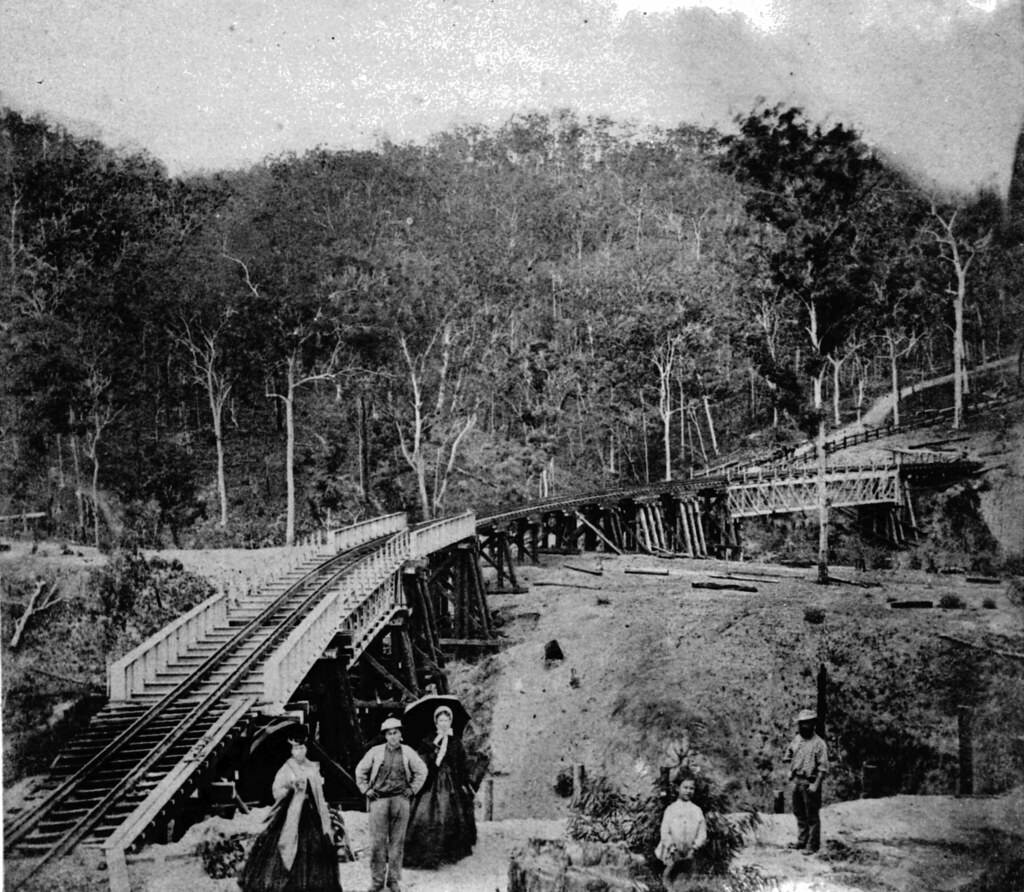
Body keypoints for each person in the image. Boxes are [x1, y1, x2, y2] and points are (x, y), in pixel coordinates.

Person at [238, 724, 342, 892]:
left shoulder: (312, 768)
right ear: (291, 750)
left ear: (306, 748)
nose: (298, 752)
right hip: (292, 814)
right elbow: (276, 790)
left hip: (312, 814)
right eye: (295, 748)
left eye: (301, 748)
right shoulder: (287, 768)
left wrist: (325, 816)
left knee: (316, 847)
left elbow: (320, 795)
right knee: (286, 845)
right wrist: (290, 787)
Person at [355, 716, 428, 892]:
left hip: (400, 800)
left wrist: (412, 789)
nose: (393, 737)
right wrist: (366, 790)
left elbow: (422, 770)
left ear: (401, 734)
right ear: (385, 736)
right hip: (379, 800)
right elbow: (360, 771)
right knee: (377, 843)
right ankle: (377, 880)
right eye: (389, 733)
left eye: (396, 733)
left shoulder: (408, 752)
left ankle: (393, 880)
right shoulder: (375, 752)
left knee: (397, 843)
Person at [403, 705, 478, 868]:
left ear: (450, 722)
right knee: (424, 812)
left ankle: (448, 853)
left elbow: (461, 763)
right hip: (431, 780)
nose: (443, 723)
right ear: (436, 722)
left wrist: (464, 782)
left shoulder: (455, 741)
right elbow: (420, 759)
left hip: (450, 782)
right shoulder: (429, 739)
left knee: (450, 813)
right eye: (440, 720)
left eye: (446, 720)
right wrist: (433, 748)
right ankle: (427, 852)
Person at [784, 708, 829, 855]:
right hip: (797, 781)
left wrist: (816, 785)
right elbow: (789, 754)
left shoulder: (819, 744)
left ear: (813, 724)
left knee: (812, 815)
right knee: (799, 812)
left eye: (807, 723)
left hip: (810, 782)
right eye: (801, 723)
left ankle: (812, 845)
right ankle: (802, 841)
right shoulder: (797, 739)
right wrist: (790, 769)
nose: (804, 726)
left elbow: (823, 768)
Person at [655, 774, 707, 889]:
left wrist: (694, 848)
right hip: (672, 853)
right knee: (670, 879)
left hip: (690, 852)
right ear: (678, 788)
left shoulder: (697, 810)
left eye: (691, 788)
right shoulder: (671, 809)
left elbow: (702, 833)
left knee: (688, 880)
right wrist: (672, 849)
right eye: (685, 787)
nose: (688, 791)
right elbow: (665, 832)